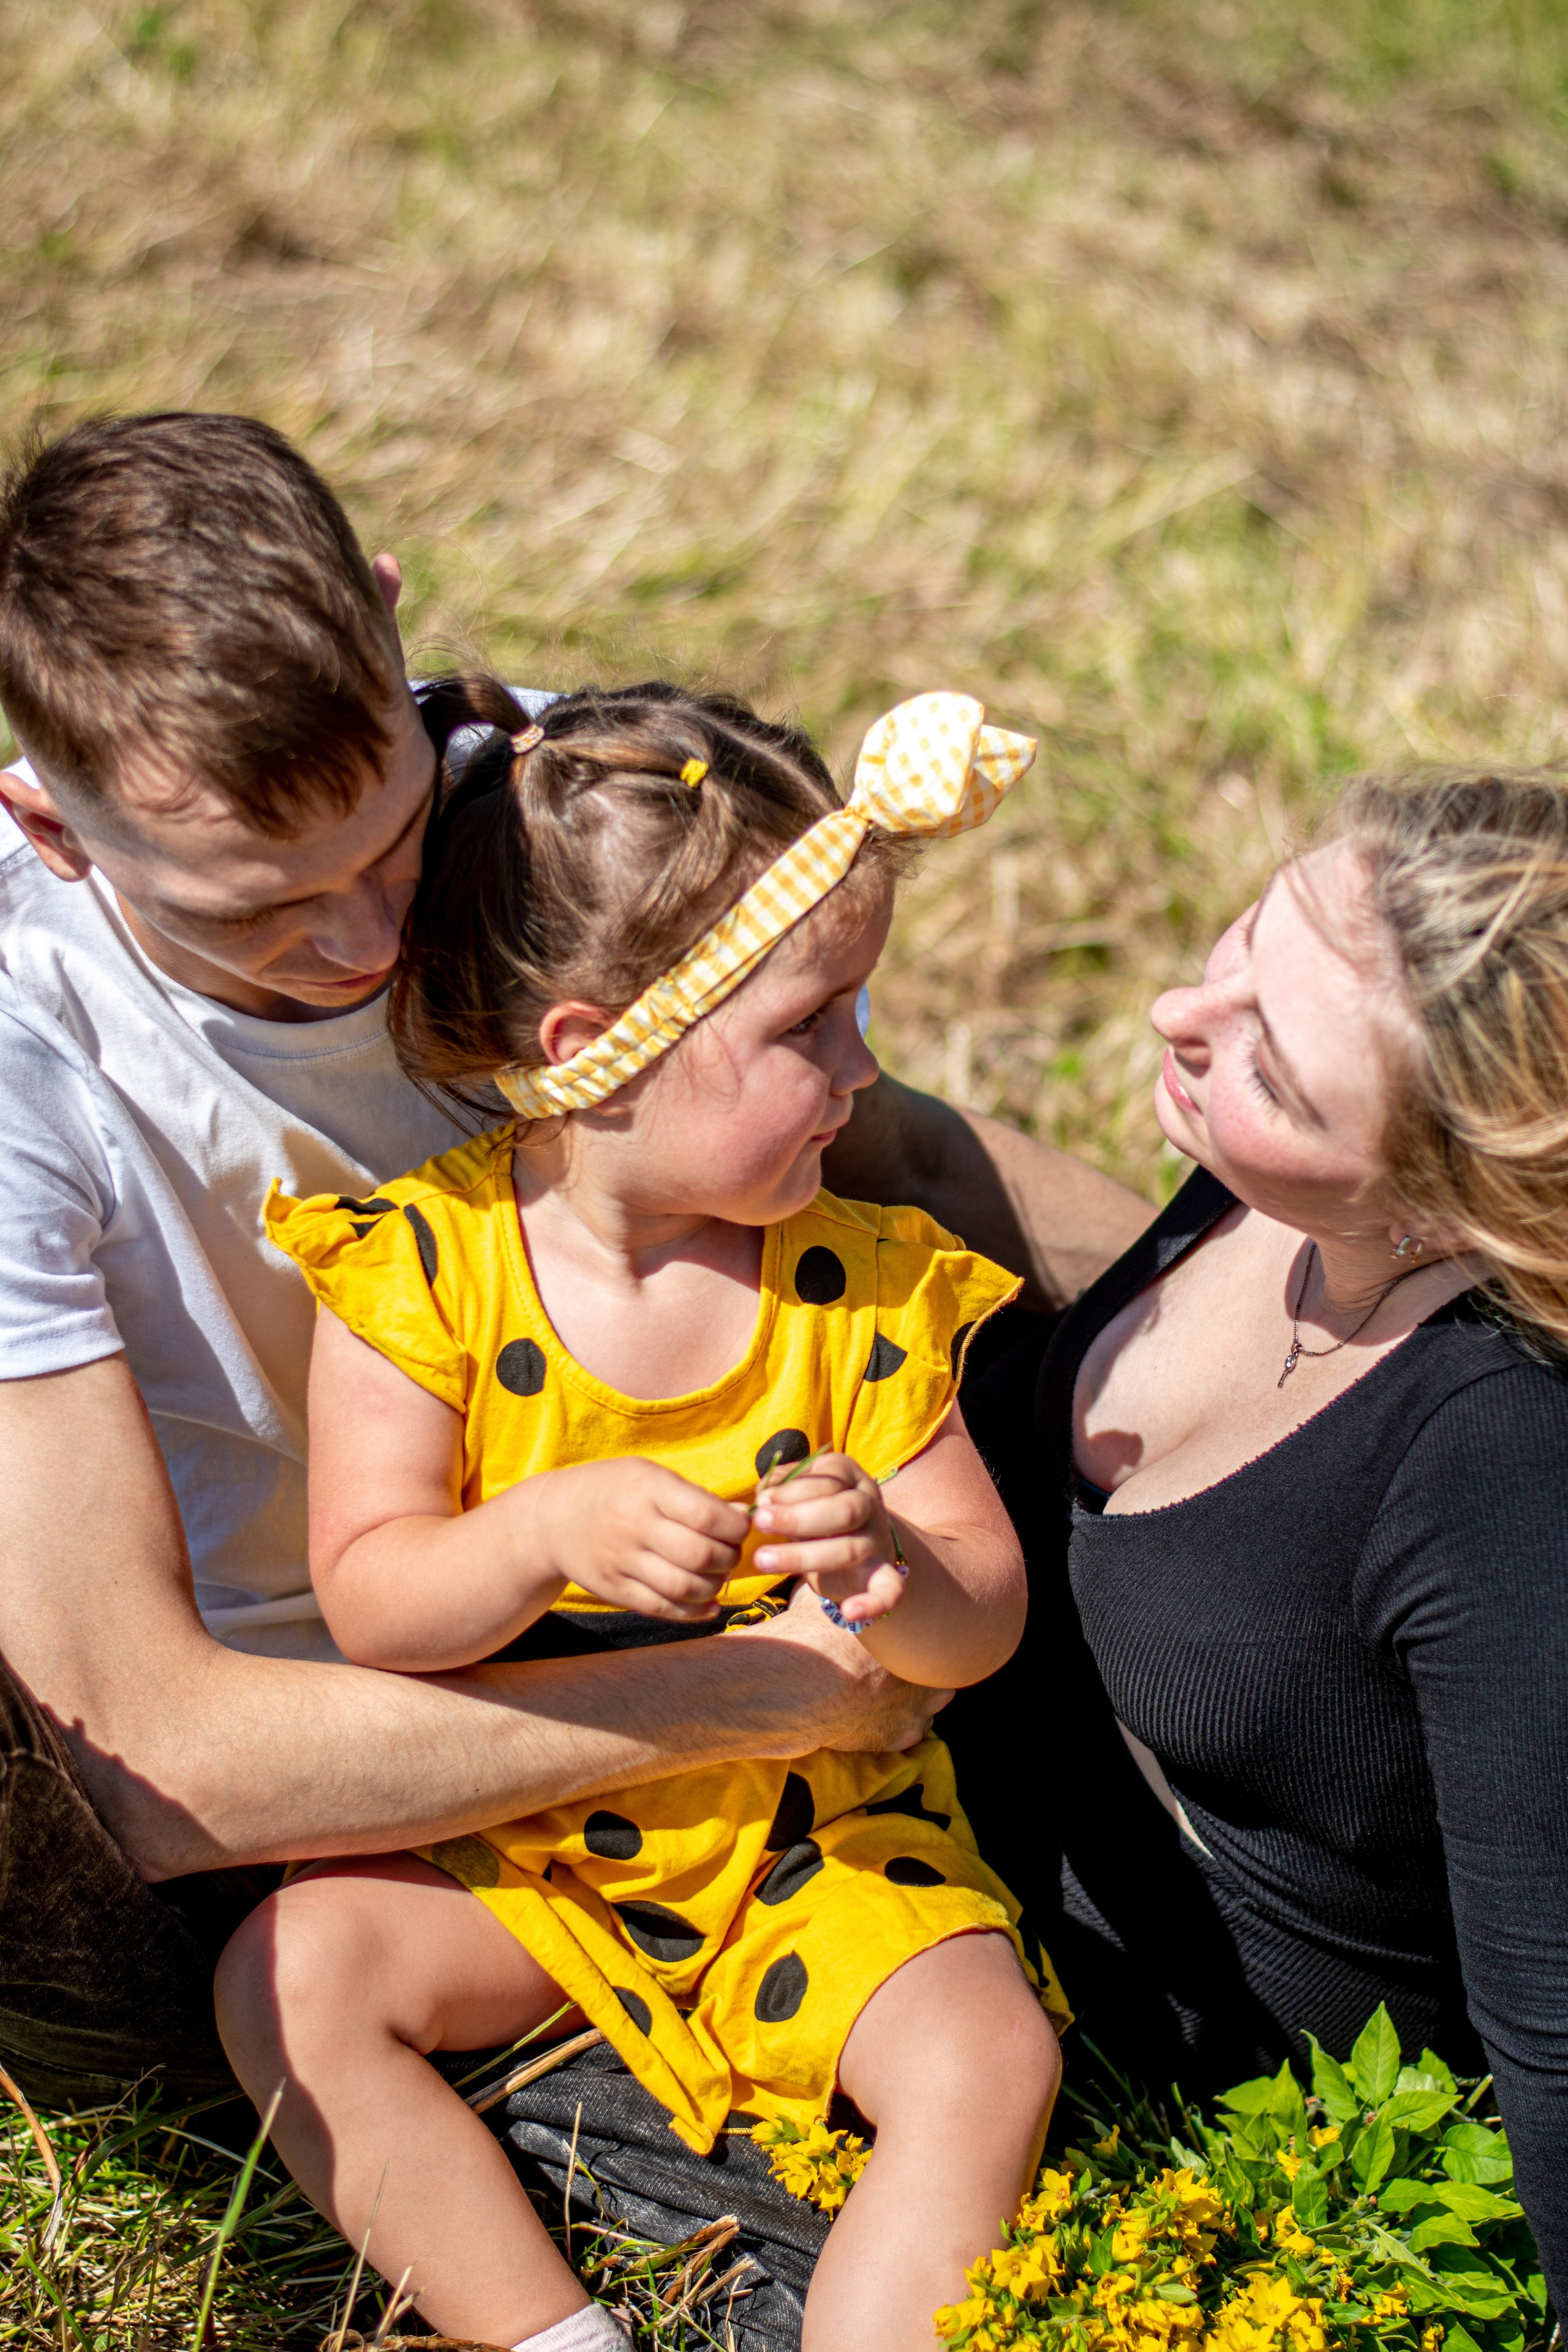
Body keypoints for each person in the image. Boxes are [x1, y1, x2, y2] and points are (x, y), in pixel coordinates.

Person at [0, 417, 1145, 2146]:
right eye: (257, 913)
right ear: (52, 827)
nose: (371, 946)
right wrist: (740, 1701)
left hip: (732, 1599)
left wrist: (1240, 1310)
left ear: (392, 618)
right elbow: (157, 1766)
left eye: (392, 842)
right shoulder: (27, 1064)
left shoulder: (537, 795)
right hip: (354, 1765)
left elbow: (882, 1144)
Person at [216, 679, 1066, 2352]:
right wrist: (539, 1531)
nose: (861, 1067)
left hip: (813, 1852)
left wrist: (894, 1565)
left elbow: (984, 1614)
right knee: (289, 1979)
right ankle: (549, 2336)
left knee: (988, 2053)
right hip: (530, 1852)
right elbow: (376, 1603)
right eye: (808, 1027)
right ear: (593, 1051)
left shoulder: (863, 1288)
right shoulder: (424, 1273)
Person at [970, 768, 1568, 2313]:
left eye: (1274, 1071)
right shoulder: (1284, 1198)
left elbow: (1554, 2012)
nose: (1176, 1009)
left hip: (1175, 2085)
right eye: (1245, 938)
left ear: (1451, 1207)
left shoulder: (1500, 1463)